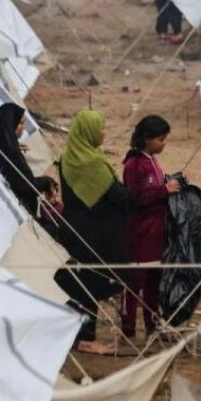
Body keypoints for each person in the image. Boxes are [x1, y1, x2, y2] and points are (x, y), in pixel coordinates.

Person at [54, 110, 131, 355]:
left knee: (79, 282)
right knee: (92, 281)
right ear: (89, 132)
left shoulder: (68, 158)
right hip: (96, 231)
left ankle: (76, 335)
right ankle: (86, 339)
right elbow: (117, 196)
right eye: (100, 128)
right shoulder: (92, 162)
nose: (103, 132)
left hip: (74, 227)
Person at [122, 115, 180, 341]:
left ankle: (152, 324)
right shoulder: (134, 164)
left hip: (156, 232)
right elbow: (136, 198)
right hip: (140, 233)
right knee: (135, 282)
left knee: (154, 282)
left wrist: (171, 182)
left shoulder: (152, 160)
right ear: (147, 139)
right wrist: (164, 190)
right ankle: (128, 328)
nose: (163, 144)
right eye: (160, 139)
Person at [0, 103, 40, 214]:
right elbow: (26, 183)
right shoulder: (11, 154)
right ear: (9, 122)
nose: (23, 128)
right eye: (20, 123)